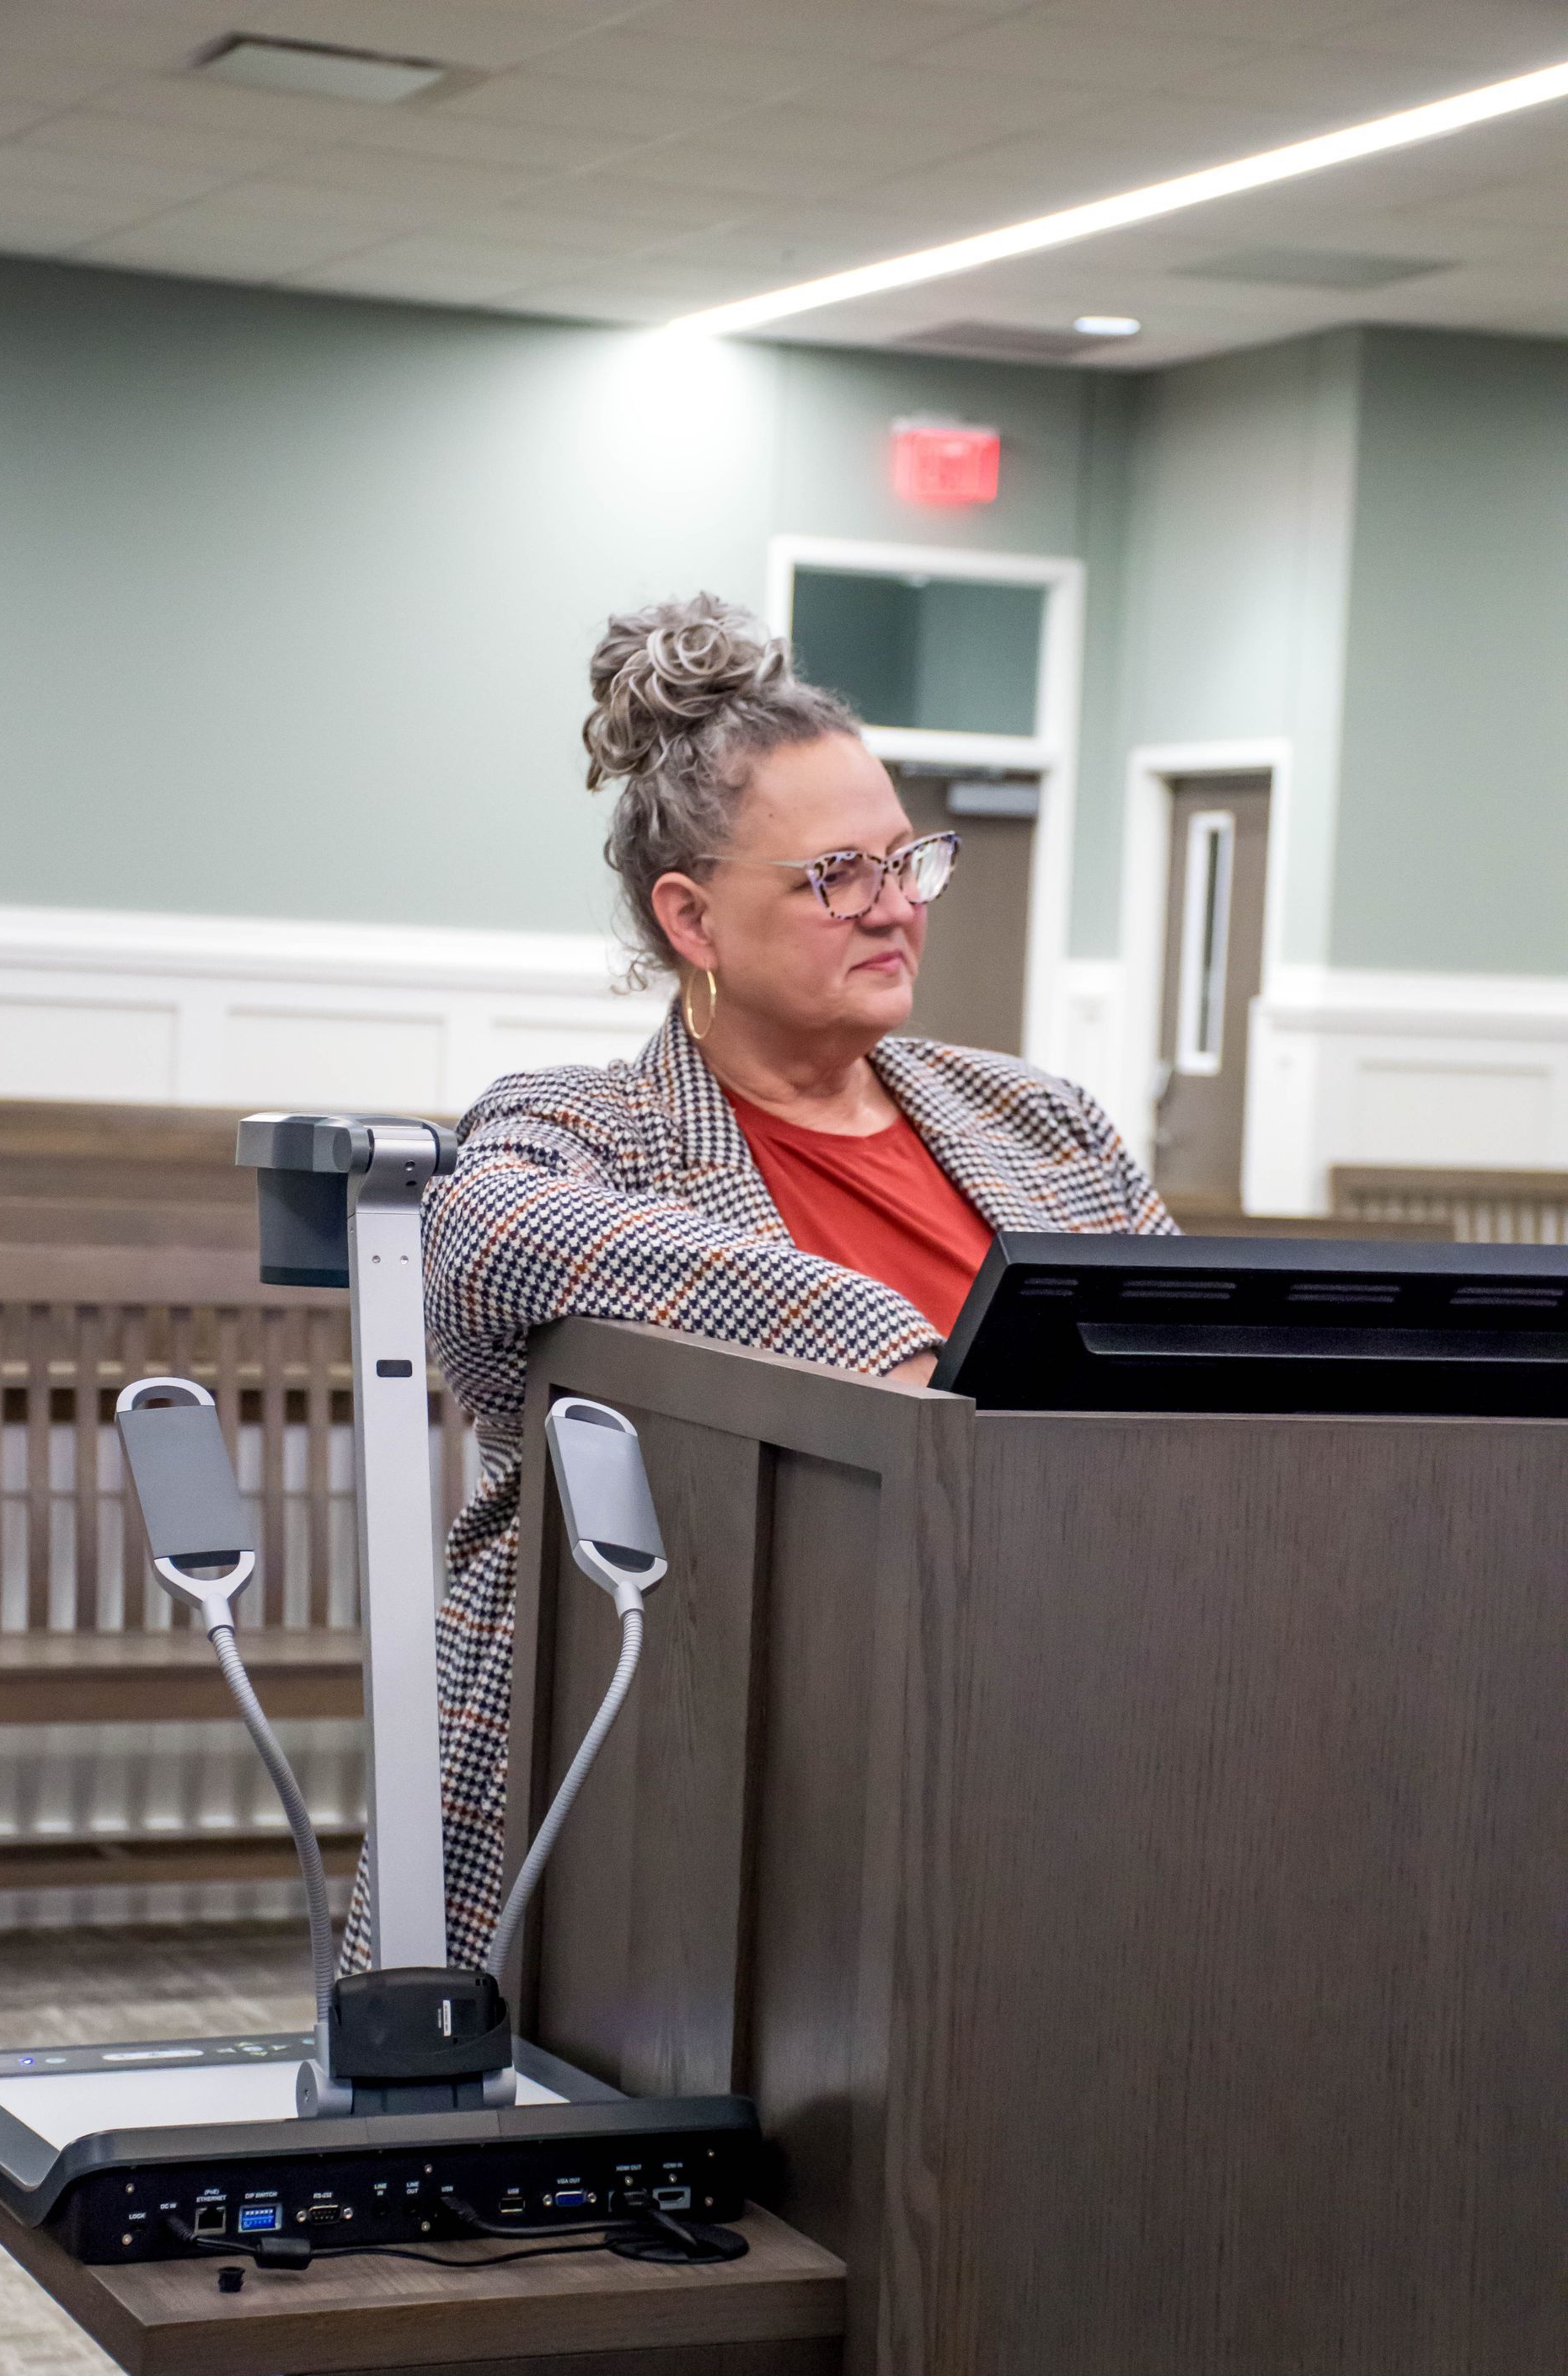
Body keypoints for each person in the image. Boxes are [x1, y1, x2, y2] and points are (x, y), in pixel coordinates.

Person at [340, 594, 1173, 1969]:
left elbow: (1185, 1380)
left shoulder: (1047, 1127)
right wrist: (888, 1352)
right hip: (691, 1750)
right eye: (840, 874)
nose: (899, 908)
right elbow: (485, 1230)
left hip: (1042, 1725)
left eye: (911, 862)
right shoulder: (585, 1126)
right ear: (693, 916)